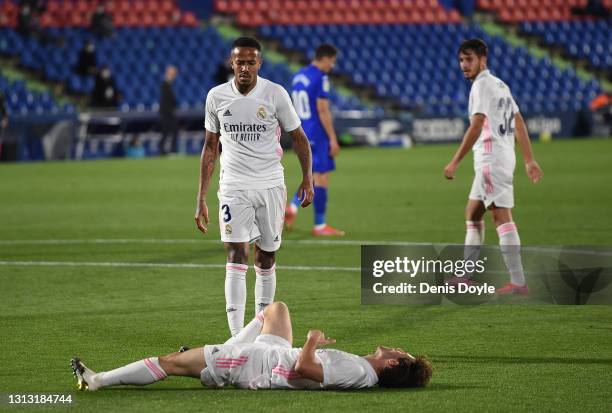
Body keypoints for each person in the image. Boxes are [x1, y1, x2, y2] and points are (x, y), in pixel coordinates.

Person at [194, 37, 314, 337]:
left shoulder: (275, 94)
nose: (245, 68)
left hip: (270, 185)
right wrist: (201, 197)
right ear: (231, 63)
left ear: (259, 63)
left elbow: (299, 138)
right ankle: (236, 338)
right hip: (233, 186)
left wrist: (307, 178)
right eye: (239, 62)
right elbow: (210, 148)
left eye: (251, 62)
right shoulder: (217, 97)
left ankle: (259, 333)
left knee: (266, 256)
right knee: (236, 254)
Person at [71, 301, 432, 391]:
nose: (395, 348)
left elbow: (305, 369)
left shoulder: (358, 370)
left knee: (170, 363)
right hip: (271, 356)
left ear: (393, 366)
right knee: (276, 309)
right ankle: (217, 351)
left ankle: (99, 380)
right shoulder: (363, 371)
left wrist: (311, 341)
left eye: (400, 354)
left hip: (254, 363)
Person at [444, 39, 543, 295]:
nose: (464, 65)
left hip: (491, 159)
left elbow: (476, 126)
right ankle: (465, 275)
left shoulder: (481, 86)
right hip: (501, 156)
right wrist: (528, 159)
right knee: (473, 214)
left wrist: (455, 161)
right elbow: (518, 120)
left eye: (469, 60)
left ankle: (518, 282)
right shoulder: (500, 84)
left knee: (500, 216)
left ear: (482, 60)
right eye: (461, 60)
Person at [285, 44, 345, 236]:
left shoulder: (298, 76)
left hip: (300, 131)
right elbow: (322, 109)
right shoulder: (321, 77)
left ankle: (292, 207)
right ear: (325, 58)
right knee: (322, 177)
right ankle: (319, 225)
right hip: (317, 132)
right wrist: (333, 138)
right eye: (332, 61)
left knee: (312, 174)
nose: (332, 66)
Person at [159, 65, 179, 155]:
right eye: (173, 72)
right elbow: (165, 99)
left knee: (170, 131)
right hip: (166, 112)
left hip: (168, 112)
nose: (175, 74)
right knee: (167, 131)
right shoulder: (165, 84)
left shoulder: (168, 84)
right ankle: (167, 150)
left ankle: (169, 149)